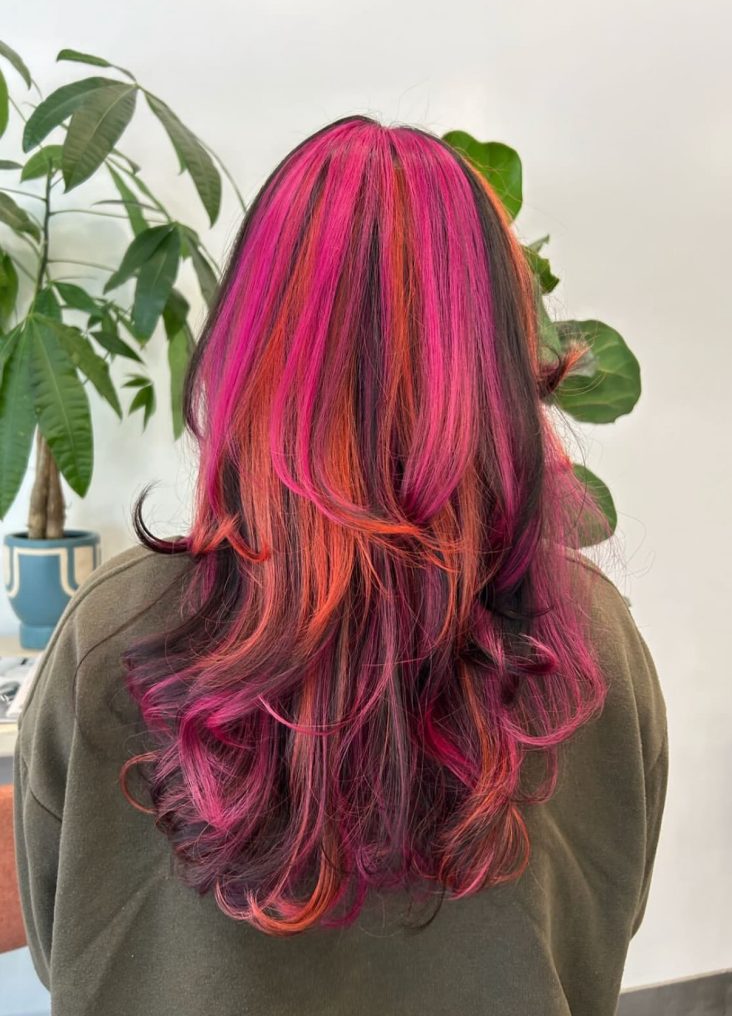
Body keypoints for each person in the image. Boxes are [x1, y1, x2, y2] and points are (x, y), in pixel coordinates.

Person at [13, 115, 668, 1016]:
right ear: (496, 360)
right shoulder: (589, 648)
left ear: (248, 349)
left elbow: (62, 943)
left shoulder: (113, 635)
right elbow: (604, 929)